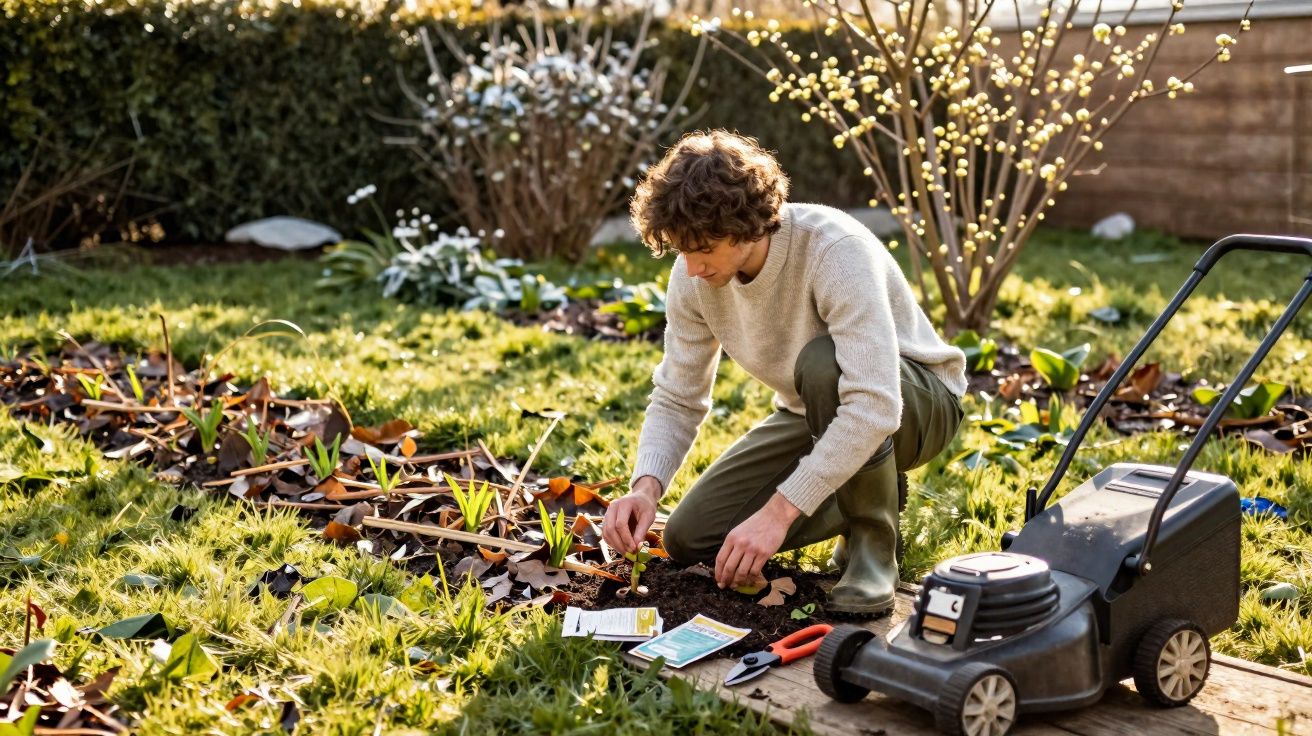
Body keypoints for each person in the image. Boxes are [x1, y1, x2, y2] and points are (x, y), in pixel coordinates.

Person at [601, 130, 967, 616]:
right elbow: (678, 396)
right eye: (680, 249)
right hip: (811, 412)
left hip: (915, 406)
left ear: (746, 226)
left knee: (822, 361)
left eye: (703, 248)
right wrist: (645, 487)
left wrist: (779, 513)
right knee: (690, 537)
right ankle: (862, 487)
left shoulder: (834, 250)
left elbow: (875, 405)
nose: (690, 268)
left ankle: (873, 548)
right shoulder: (694, 279)